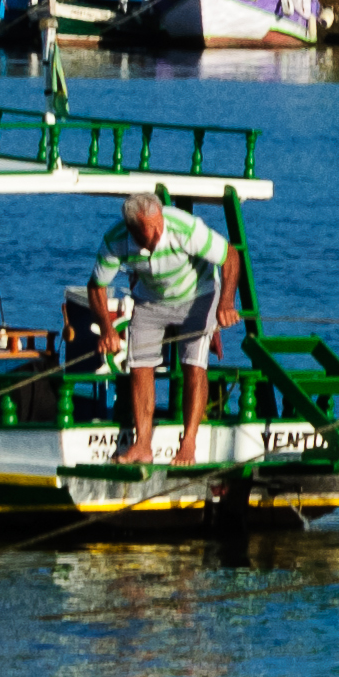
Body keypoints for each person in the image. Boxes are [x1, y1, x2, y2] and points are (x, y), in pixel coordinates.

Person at [84, 183, 243, 466]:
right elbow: (96, 287)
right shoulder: (116, 240)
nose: (159, 234)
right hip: (150, 300)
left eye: (160, 225)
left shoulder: (183, 228)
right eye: (151, 229)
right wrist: (107, 330)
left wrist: (227, 303)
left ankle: (189, 443)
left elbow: (230, 256)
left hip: (198, 293)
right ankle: (142, 444)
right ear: (133, 229)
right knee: (140, 365)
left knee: (195, 365)